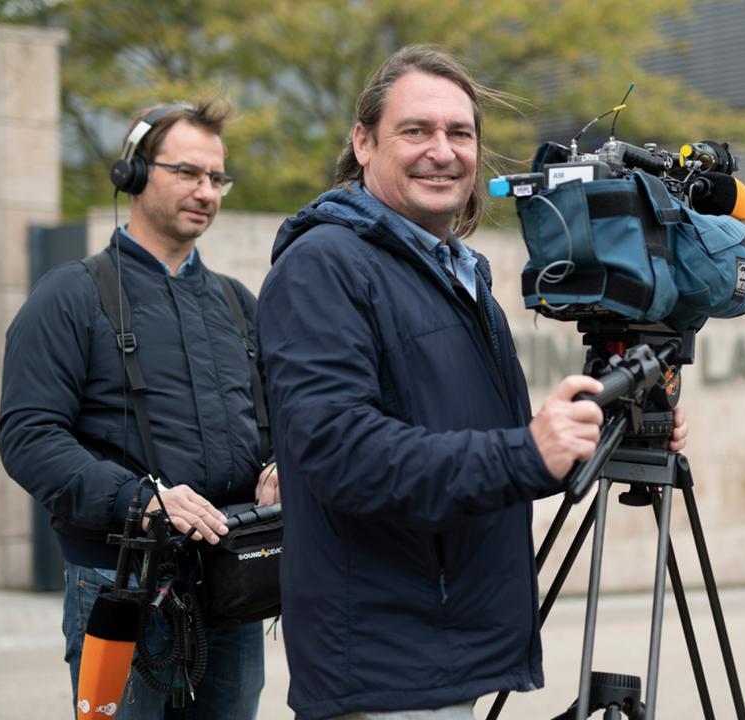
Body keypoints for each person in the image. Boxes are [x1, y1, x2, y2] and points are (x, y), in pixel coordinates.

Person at [257, 45, 687, 720]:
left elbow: (463, 434)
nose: (443, 150)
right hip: (386, 663)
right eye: (416, 131)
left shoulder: (457, 271)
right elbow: (341, 456)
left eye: (460, 133)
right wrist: (525, 452)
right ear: (363, 143)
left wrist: (604, 425)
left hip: (450, 650)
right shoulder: (325, 266)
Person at [0, 99, 277, 719]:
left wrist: (283, 460)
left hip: (232, 587)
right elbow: (28, 435)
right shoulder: (69, 296)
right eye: (187, 172)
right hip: (118, 582)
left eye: (216, 178)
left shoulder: (238, 304)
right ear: (134, 173)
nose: (206, 191)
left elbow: (283, 416)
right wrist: (142, 500)